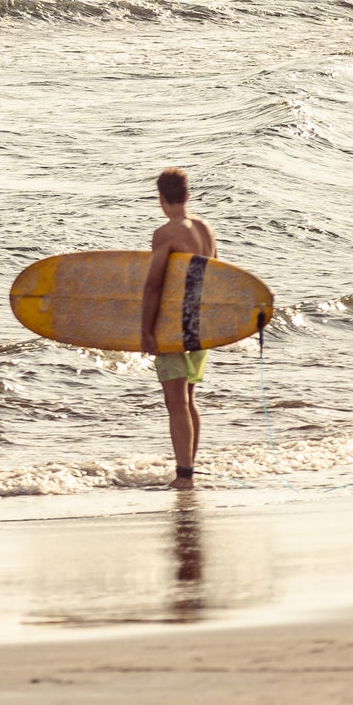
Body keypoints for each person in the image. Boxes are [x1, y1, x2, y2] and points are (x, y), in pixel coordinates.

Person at [140, 168, 216, 488]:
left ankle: (184, 476)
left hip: (174, 323)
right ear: (186, 194)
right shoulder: (205, 229)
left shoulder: (166, 233)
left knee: (175, 402)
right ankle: (188, 470)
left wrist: (146, 330)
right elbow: (214, 277)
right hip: (200, 323)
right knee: (188, 398)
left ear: (161, 197)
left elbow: (155, 284)